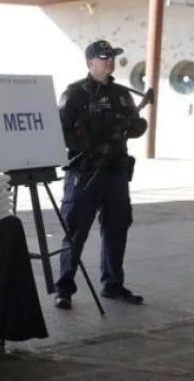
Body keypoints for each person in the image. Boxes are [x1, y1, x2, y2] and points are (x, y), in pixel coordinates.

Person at [54, 40, 148, 310]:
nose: (109, 61)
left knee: (117, 228)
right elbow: (60, 131)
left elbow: (133, 126)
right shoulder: (75, 94)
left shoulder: (122, 94)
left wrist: (137, 126)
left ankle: (113, 285)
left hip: (116, 172)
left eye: (112, 57)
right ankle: (64, 288)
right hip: (86, 174)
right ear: (90, 62)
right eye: (104, 57)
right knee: (75, 231)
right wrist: (90, 148)